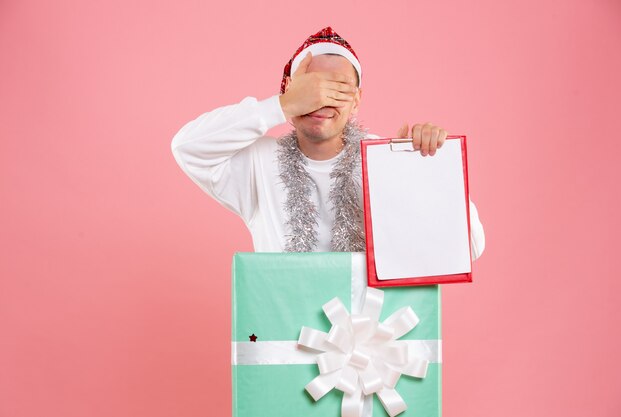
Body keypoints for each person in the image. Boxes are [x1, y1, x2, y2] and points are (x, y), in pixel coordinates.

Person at [171, 26, 485, 258]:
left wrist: (424, 171)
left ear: (357, 100)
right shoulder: (259, 162)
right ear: (291, 90)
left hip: (370, 340)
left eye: (337, 90)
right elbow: (187, 147)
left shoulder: (383, 159)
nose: (321, 101)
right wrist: (280, 106)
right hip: (283, 337)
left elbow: (469, 246)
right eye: (311, 89)